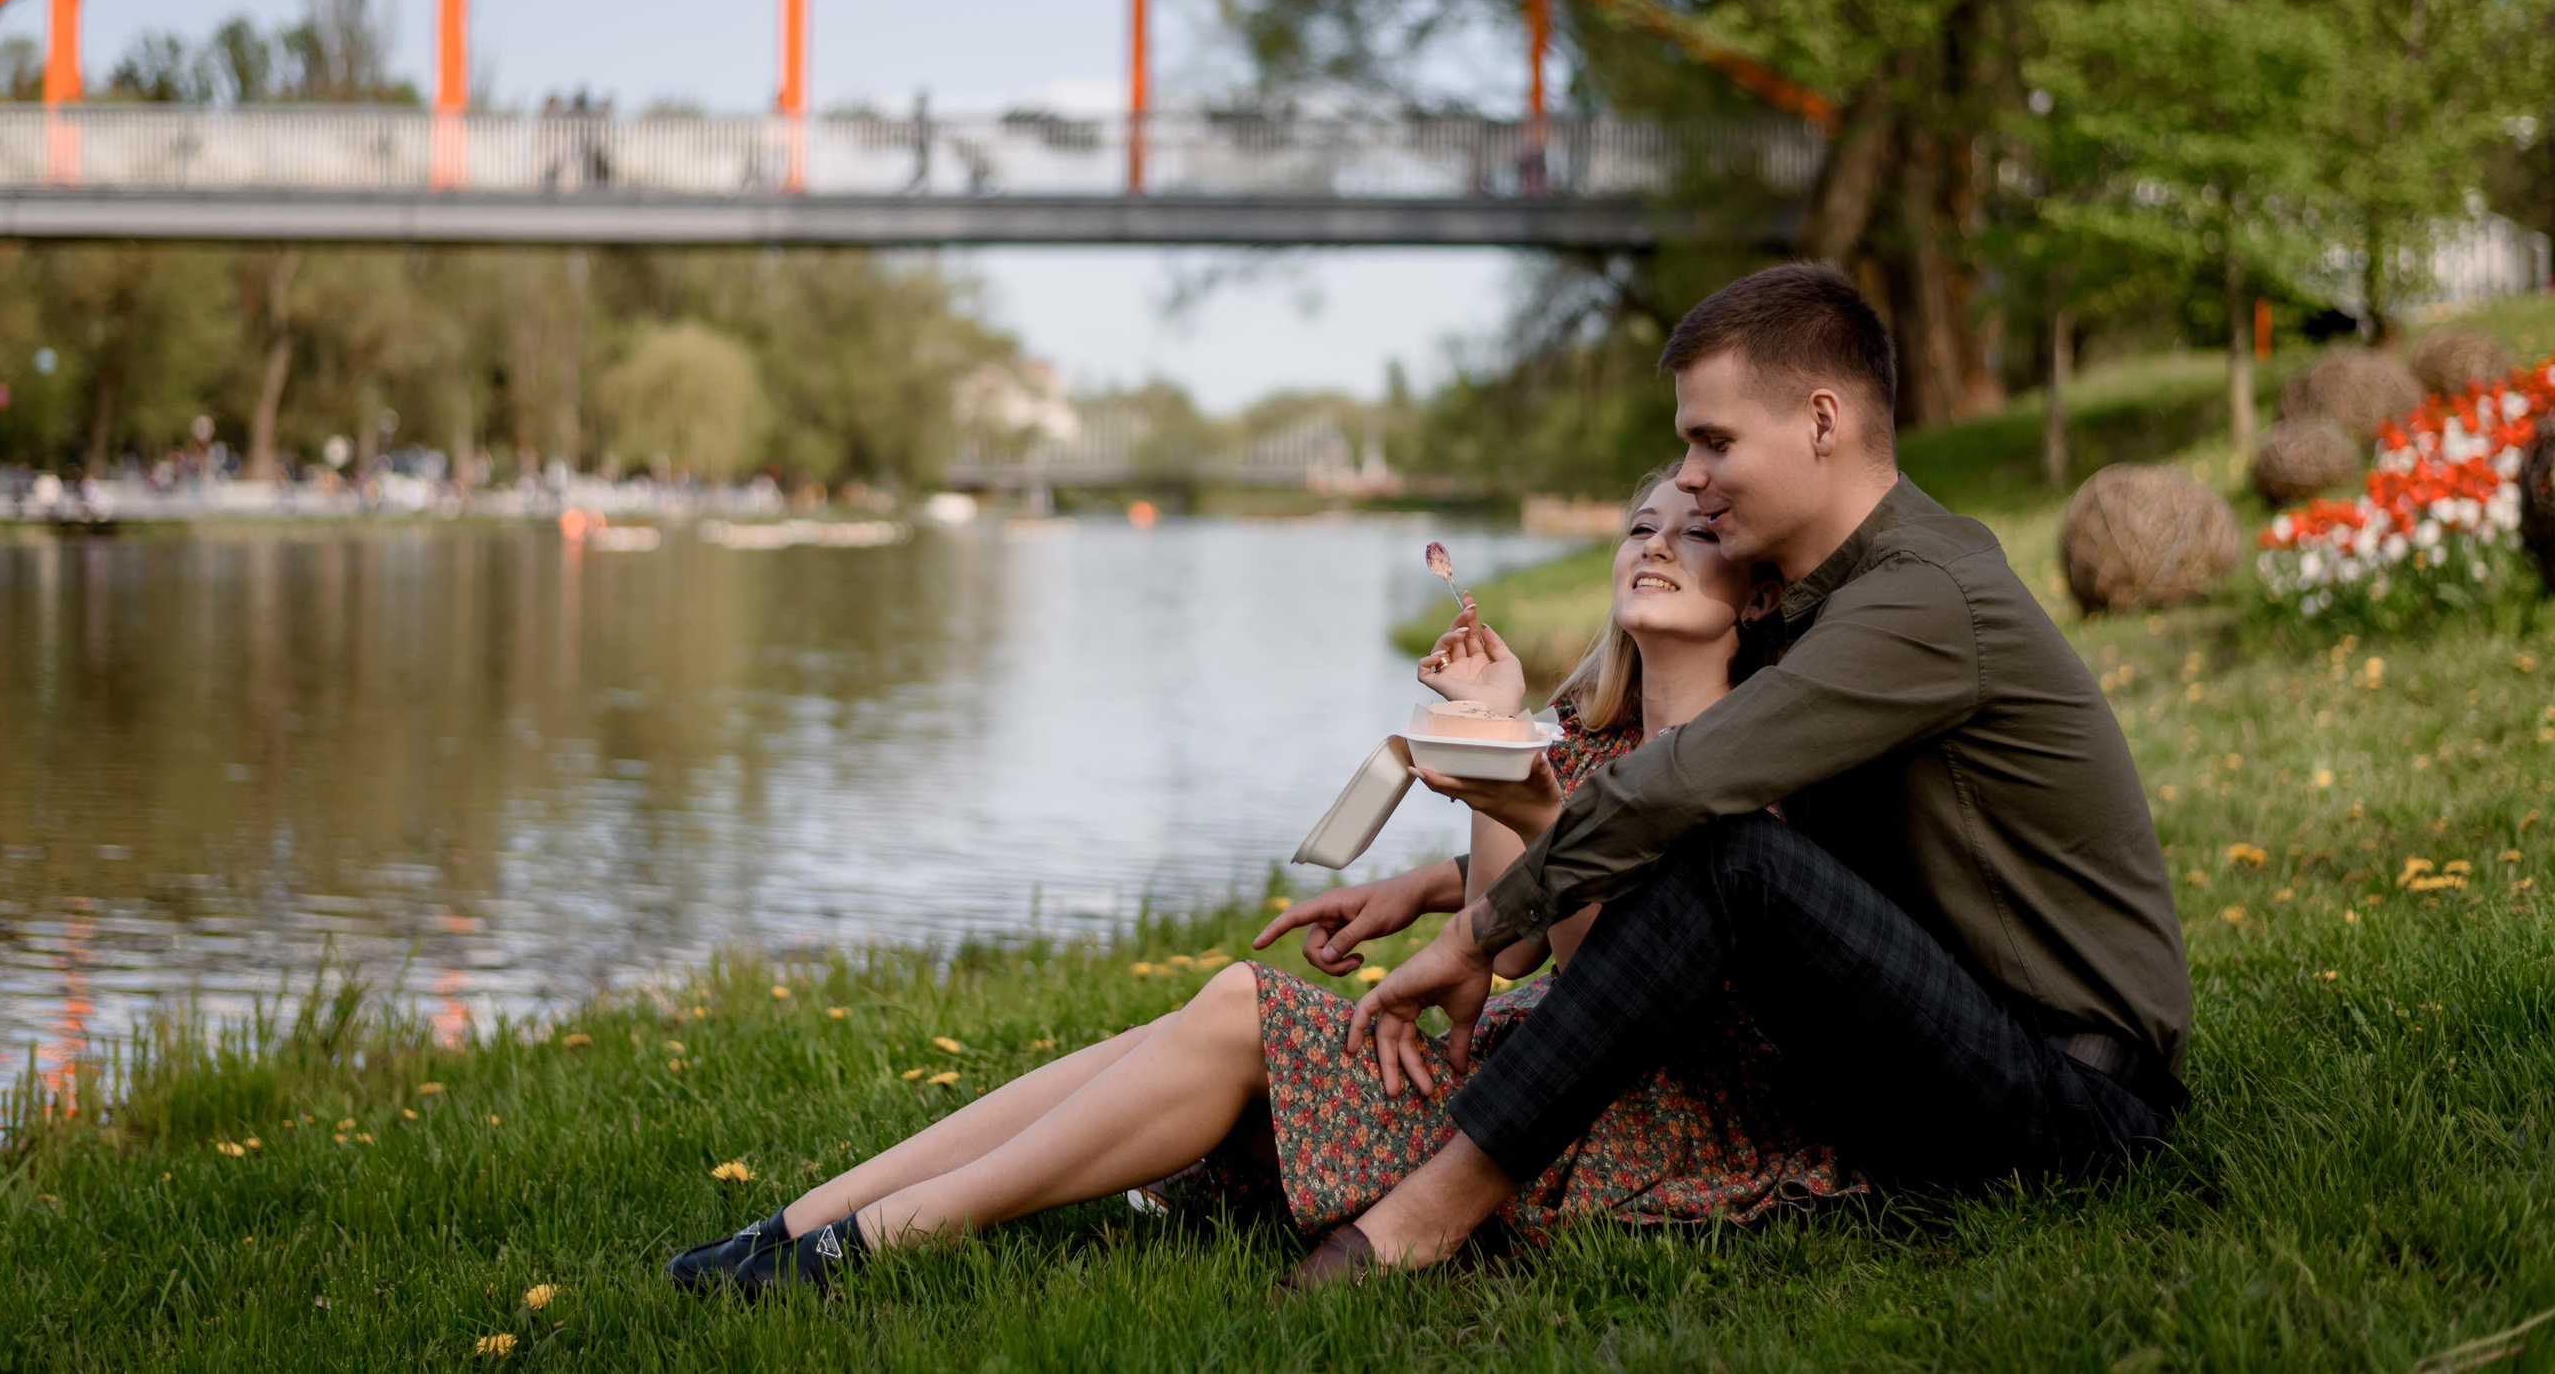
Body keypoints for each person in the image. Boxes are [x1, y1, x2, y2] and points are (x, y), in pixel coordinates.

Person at [664, 473, 1856, 1293]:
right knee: (1177, 1027)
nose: (1653, 542)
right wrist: (1501, 759)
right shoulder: (1589, 740)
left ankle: (872, 1245)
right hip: (1529, 1050)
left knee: (1243, 1005)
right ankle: (801, 1220)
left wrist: (1521, 789)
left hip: (1641, 1112)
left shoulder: (1760, 749)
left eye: (1693, 532)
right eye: (1638, 526)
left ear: (1756, 593)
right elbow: (1519, 937)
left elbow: (1615, 982)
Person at [1275, 262, 2191, 1290]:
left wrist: (1477, 929)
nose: (1692, 476)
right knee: (1727, 851)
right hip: (1928, 1040)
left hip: (2064, 1098)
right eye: (1686, 443)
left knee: (1732, 857)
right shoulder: (1818, 599)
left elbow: (1681, 788)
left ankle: (1426, 1215)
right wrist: (1444, 878)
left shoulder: (1921, 598)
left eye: (1713, 441)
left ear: (1820, 420)